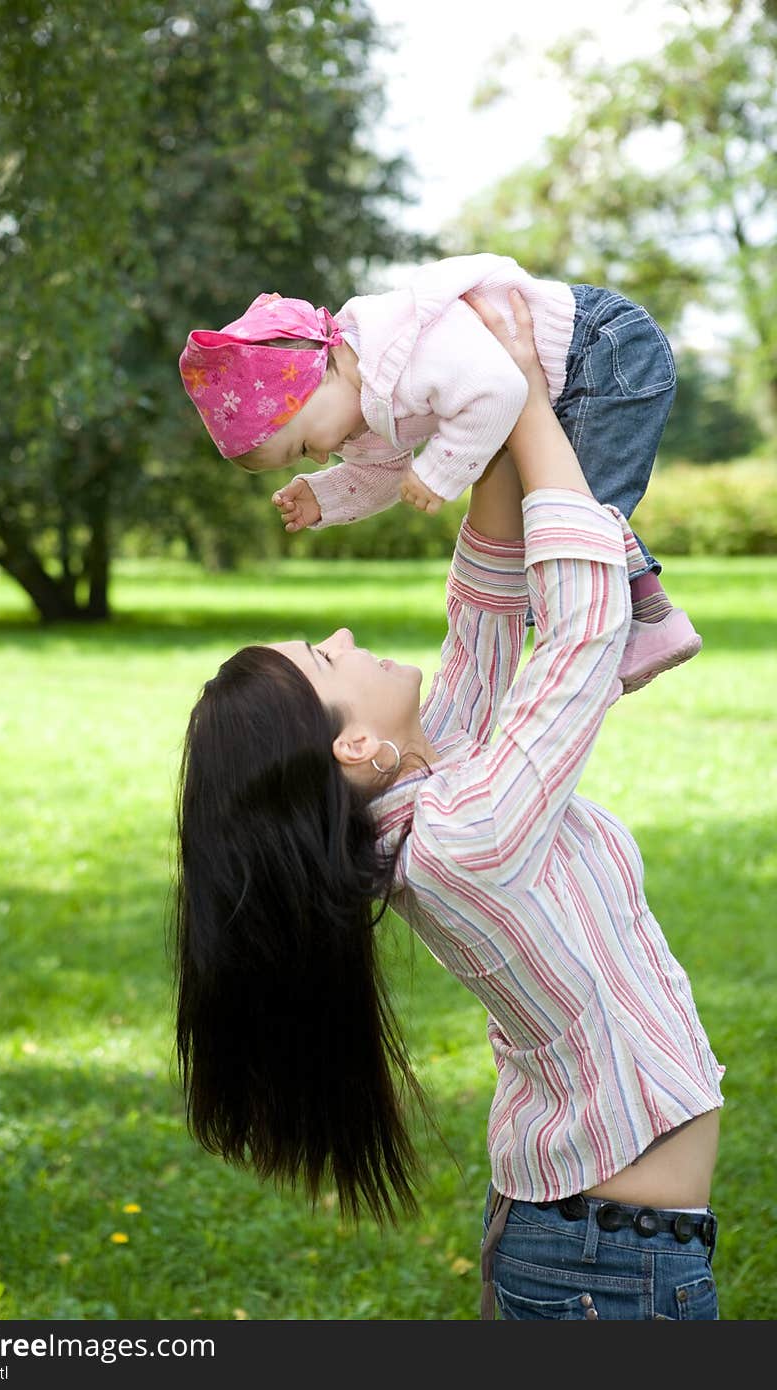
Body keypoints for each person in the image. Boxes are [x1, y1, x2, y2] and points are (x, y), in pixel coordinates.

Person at [172, 290, 724, 1321]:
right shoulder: (462, 842)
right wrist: (522, 409)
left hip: (598, 1247)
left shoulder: (438, 786)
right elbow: (575, 635)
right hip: (612, 1270)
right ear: (357, 746)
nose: (340, 634)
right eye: (324, 657)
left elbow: (482, 609)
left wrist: (492, 390)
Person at [178, 252, 702, 696]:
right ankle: (645, 620)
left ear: (317, 373)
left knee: (567, 524)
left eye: (302, 445)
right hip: (563, 378)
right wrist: (325, 498)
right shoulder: (361, 409)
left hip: (604, 350)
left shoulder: (400, 348)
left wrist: (439, 471)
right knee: (560, 527)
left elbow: (497, 390)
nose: (319, 457)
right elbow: (382, 475)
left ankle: (620, 632)